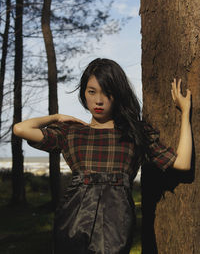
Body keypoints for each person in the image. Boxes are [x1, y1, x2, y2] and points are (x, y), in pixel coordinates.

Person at [13, 58, 192, 254]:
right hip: (72, 219)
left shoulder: (135, 133)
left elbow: (182, 163)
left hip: (116, 221)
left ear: (118, 95)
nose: (99, 100)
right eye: (92, 91)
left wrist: (185, 113)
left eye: (107, 93)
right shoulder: (70, 132)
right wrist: (55, 117)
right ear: (84, 93)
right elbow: (21, 129)